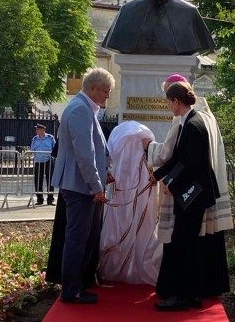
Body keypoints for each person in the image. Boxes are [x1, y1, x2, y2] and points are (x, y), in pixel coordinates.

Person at [144, 74, 232, 299]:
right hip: (190, 194)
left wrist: (169, 182)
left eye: (168, 102)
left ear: (176, 101)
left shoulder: (192, 125)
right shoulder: (188, 120)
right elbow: (177, 159)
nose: (168, 107)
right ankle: (190, 295)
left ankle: (182, 297)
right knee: (186, 243)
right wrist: (159, 175)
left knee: (186, 245)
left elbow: (190, 165)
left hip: (193, 195)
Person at [51, 68, 115, 304]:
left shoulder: (84, 108)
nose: (107, 97)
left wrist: (103, 175)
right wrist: (96, 185)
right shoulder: (80, 110)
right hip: (80, 187)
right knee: (77, 239)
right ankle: (71, 290)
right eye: (106, 92)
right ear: (94, 88)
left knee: (79, 238)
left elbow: (92, 152)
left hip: (81, 184)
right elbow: (84, 154)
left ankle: (75, 286)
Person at [99, 121, 162, 285]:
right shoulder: (138, 157)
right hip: (129, 187)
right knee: (132, 223)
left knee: (133, 224)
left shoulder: (133, 162)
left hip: (133, 187)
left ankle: (120, 266)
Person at [31, 123, 56, 205]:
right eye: (36, 129)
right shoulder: (35, 139)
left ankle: (50, 199)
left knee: (50, 181)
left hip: (48, 161)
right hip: (38, 161)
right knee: (38, 181)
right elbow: (32, 150)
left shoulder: (50, 138)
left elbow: (54, 148)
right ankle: (39, 199)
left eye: (38, 129)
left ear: (43, 130)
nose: (36, 130)